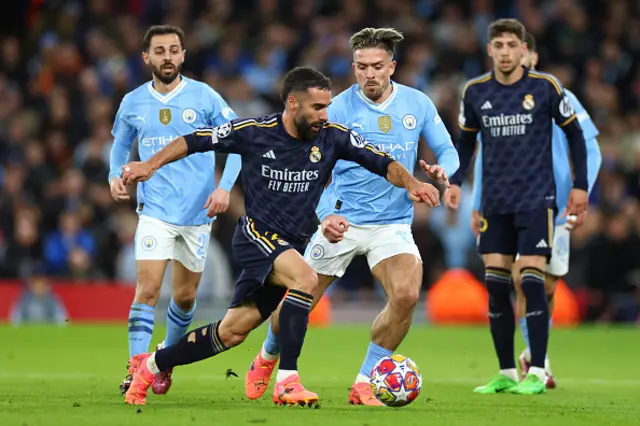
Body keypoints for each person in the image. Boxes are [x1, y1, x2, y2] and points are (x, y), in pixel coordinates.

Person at [120, 66, 443, 406]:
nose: (324, 114)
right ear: (292, 103)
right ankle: (287, 381)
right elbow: (194, 140)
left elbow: (382, 161)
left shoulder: (333, 137)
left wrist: (412, 183)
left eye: (327, 106)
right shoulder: (254, 131)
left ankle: (153, 365)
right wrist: (149, 165)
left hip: (289, 246)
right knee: (305, 277)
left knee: (232, 332)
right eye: (317, 107)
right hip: (255, 237)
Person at [244, 27, 459, 406]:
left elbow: (446, 149)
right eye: (362, 67)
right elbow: (313, 171)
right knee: (297, 303)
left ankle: (364, 382)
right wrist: (325, 215)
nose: (370, 74)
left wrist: (445, 172)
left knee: (407, 294)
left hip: (391, 223)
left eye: (377, 66)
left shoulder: (417, 104)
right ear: (354, 67)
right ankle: (268, 353)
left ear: (392, 66)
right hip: (341, 219)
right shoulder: (337, 108)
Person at [446, 19, 589, 395]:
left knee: (530, 278)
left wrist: (580, 186)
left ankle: (538, 371)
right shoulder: (475, 92)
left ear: (524, 50)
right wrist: (455, 183)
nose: (506, 51)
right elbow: (465, 144)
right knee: (495, 283)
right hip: (495, 201)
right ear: (489, 49)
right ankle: (507, 372)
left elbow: (575, 134)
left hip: (535, 200)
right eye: (499, 45)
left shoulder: (545, 88)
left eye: (512, 44)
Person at [108, 25, 242, 395]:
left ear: (183, 55)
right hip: (154, 210)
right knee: (147, 290)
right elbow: (120, 146)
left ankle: (163, 360)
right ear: (146, 57)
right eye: (159, 50)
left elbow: (237, 144)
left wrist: (224, 188)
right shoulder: (133, 101)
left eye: (173, 50)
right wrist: (112, 175)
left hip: (198, 213)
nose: (167, 57)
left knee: (185, 298)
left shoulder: (204, 97)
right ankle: (137, 368)